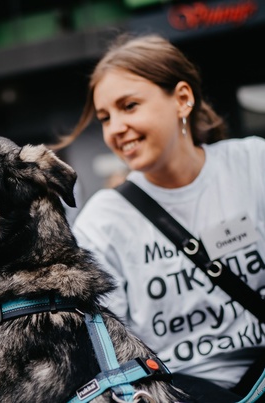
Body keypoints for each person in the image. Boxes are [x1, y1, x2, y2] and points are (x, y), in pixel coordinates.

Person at [62, 34, 265, 401]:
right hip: (178, 393)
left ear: (182, 99)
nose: (115, 128)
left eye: (130, 106)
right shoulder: (102, 222)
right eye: (105, 117)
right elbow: (105, 345)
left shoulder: (253, 164)